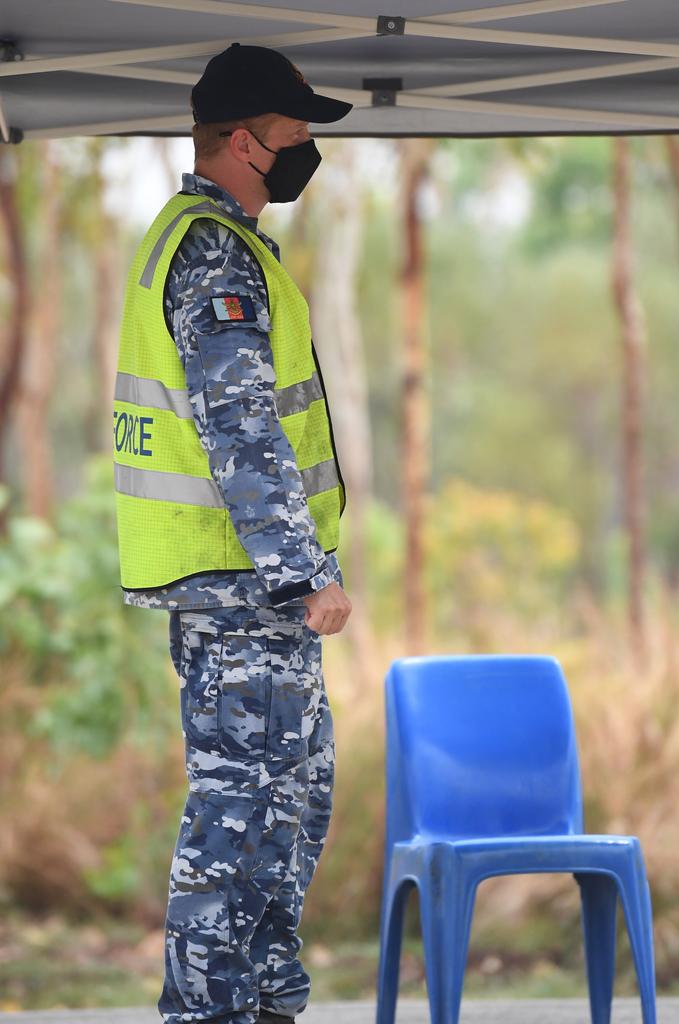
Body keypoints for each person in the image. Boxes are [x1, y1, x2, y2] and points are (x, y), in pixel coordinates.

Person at [112, 42, 354, 1024]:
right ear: (247, 141)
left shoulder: (226, 242)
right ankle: (216, 1013)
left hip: (247, 592)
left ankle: (262, 1007)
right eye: (296, 134)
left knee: (287, 810)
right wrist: (304, 574)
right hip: (242, 588)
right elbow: (240, 426)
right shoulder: (210, 250)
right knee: (243, 820)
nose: (307, 150)